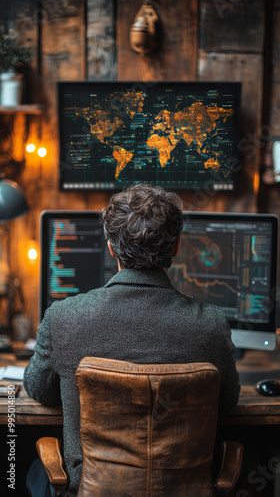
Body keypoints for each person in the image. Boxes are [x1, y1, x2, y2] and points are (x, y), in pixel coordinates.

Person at [24, 183, 240, 497]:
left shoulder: (63, 317)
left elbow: (39, 390)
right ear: (176, 247)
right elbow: (228, 402)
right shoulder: (210, 324)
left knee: (30, 471)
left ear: (111, 247)